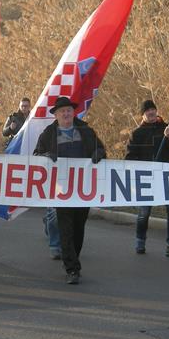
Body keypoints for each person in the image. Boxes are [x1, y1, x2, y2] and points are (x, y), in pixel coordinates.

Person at [34, 96, 106, 284]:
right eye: (62, 111)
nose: (66, 114)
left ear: (73, 113)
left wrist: (98, 154)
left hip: (83, 189)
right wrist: (45, 156)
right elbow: (36, 155)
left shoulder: (86, 131)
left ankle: (74, 257)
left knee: (78, 228)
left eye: (68, 111)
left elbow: (101, 149)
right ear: (56, 115)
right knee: (65, 228)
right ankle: (72, 269)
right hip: (61, 190)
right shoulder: (48, 134)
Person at [125, 100, 169, 258]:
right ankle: (140, 241)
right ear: (143, 115)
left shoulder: (167, 128)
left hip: (167, 176)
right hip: (147, 179)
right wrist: (142, 168)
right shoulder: (136, 134)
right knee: (144, 212)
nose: (151, 112)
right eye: (147, 111)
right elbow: (130, 158)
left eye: (153, 109)